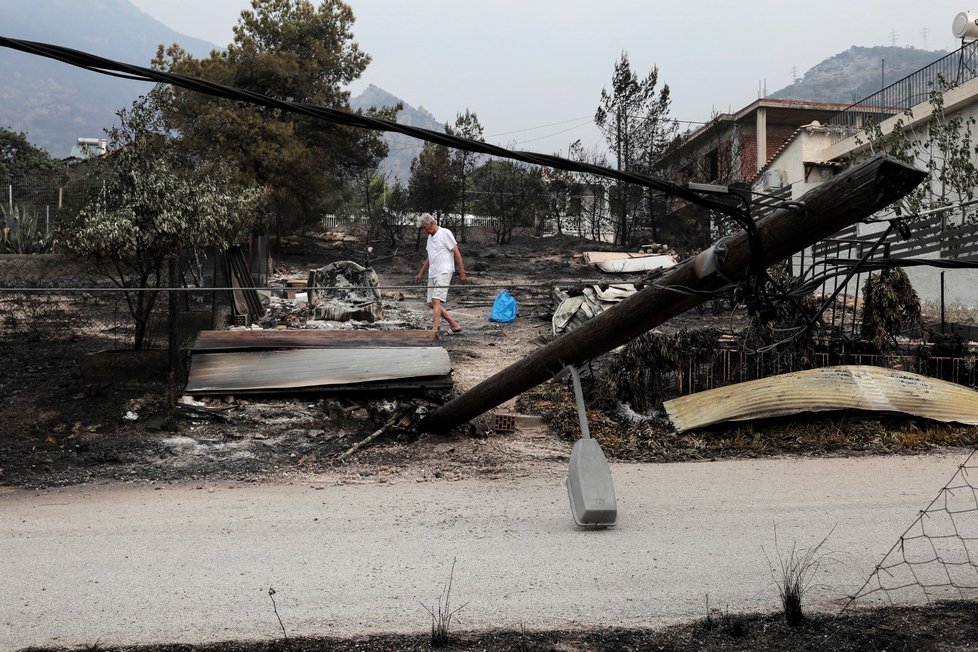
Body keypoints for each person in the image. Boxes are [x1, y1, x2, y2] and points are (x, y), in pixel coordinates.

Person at [415, 213, 467, 335]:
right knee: (430, 303)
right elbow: (430, 257)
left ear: (430, 224)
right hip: (433, 273)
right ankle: (454, 325)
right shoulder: (430, 238)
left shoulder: (445, 233)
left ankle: (434, 329)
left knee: (436, 300)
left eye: (424, 227)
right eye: (422, 228)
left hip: (444, 271)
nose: (424, 231)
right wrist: (421, 273)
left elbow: (457, 253)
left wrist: (462, 272)